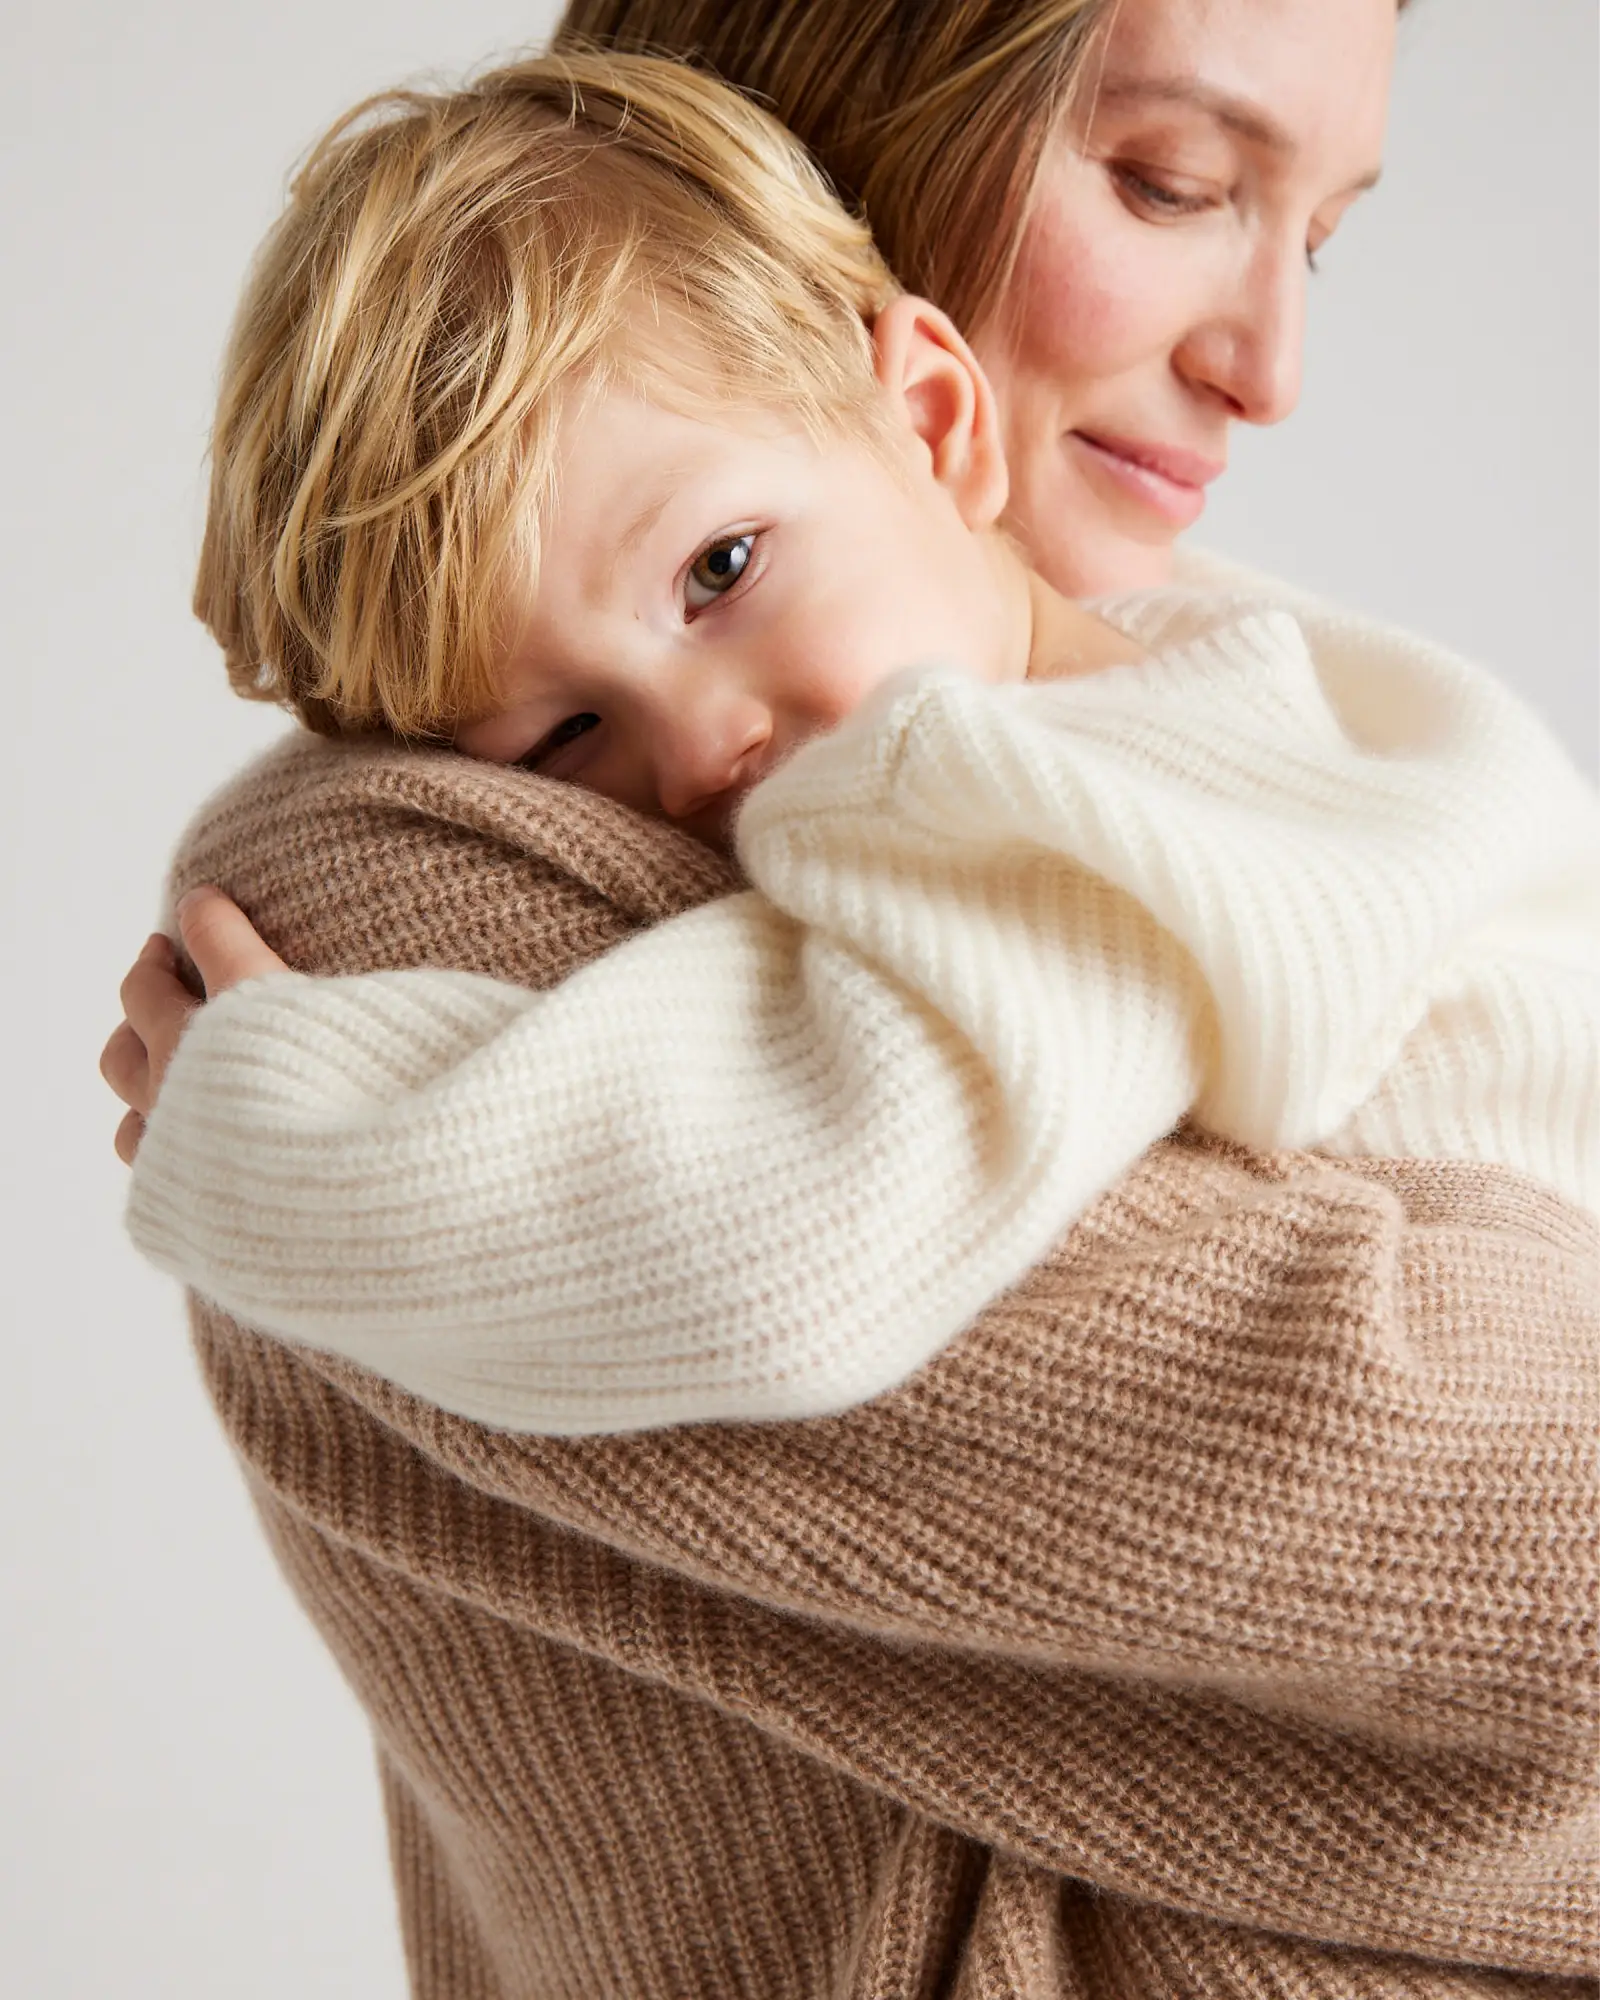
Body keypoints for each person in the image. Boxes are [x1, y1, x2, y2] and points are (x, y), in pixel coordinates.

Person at [96, 7, 1598, 1995]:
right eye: (1168, 183)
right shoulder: (403, 888)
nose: (1271, 366)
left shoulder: (1057, 783)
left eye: (1309, 233)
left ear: (923, 413)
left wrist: (260, 1131)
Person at [102, 52, 1599, 1441]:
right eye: (564, 735)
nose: (694, 752)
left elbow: (786, 1242)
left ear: (936, 420)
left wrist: (284, 1142)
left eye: (721, 570)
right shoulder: (1187, 678)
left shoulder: (1026, 798)